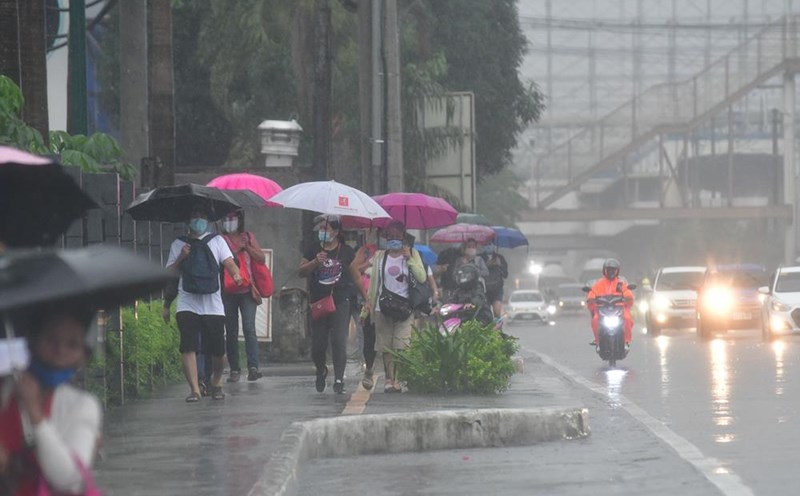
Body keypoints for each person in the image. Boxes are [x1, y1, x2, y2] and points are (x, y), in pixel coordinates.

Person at [0, 301, 102, 495]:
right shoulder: (6, 390)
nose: (60, 351)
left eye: (72, 344)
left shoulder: (82, 405)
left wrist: (35, 415)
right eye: (51, 340)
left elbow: (68, 478)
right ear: (33, 342)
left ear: (82, 356)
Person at [163, 206, 244, 402]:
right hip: (187, 302)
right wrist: (181, 257)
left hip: (213, 304)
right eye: (194, 216)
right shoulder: (178, 244)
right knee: (188, 347)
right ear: (188, 221)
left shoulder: (217, 241)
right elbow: (169, 273)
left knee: (218, 351)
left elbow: (229, 262)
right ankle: (194, 390)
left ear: (208, 220)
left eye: (202, 217)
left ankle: (216, 380)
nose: (198, 220)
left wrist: (236, 274)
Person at [298, 215, 369, 394]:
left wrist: (366, 298)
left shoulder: (346, 251)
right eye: (321, 228)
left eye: (326, 228)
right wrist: (315, 262)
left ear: (336, 232)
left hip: (341, 300)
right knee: (318, 344)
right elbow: (301, 271)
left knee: (338, 340)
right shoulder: (313, 249)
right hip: (319, 301)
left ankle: (338, 379)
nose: (322, 232)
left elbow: (356, 276)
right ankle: (321, 369)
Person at [362, 221, 427, 393]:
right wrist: (368, 304)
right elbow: (374, 283)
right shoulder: (380, 256)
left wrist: (410, 259)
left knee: (401, 345)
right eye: (390, 236)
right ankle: (390, 380)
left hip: (405, 308)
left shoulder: (413, 254)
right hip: (382, 307)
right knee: (386, 347)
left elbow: (421, 277)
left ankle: (397, 379)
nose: (393, 240)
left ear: (403, 237)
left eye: (397, 236)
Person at [219, 210, 266, 383]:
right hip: (228, 291)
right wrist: (236, 249)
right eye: (227, 218)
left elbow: (261, 259)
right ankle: (234, 369)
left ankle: (253, 367)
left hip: (247, 290)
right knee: (231, 331)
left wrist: (246, 247)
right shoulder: (220, 239)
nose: (229, 222)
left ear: (240, 220)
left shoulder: (248, 236)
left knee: (249, 328)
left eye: (233, 218)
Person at [587, 258, 634, 350]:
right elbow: (592, 293)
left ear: (617, 271)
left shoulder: (620, 284)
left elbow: (627, 292)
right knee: (595, 320)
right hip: (602, 309)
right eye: (609, 269)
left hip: (619, 308)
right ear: (604, 270)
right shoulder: (599, 283)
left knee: (627, 319)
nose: (611, 272)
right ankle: (598, 342)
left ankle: (626, 341)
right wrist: (591, 298)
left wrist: (628, 297)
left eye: (613, 270)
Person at [482, 243, 508, 317]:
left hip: (497, 289)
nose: (488, 246)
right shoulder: (480, 258)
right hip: (484, 290)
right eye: (486, 244)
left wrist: (499, 265)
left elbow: (505, 274)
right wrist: (487, 265)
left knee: (497, 312)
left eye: (490, 244)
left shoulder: (500, 258)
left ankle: (497, 324)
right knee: (485, 313)